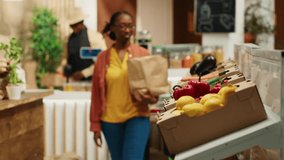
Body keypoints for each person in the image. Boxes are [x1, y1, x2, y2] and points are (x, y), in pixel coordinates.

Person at [89, 11, 157, 160]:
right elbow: (96, 94)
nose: (126, 30)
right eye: (122, 26)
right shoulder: (103, 58)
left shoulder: (143, 54)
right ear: (112, 28)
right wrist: (95, 125)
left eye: (130, 26)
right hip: (110, 121)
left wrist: (151, 98)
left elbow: (154, 88)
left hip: (137, 116)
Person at [67, 8, 107, 81]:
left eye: (76, 25)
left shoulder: (95, 37)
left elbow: (103, 60)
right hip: (74, 81)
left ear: (81, 22)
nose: (74, 28)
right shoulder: (70, 39)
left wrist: (84, 73)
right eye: (72, 26)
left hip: (92, 80)